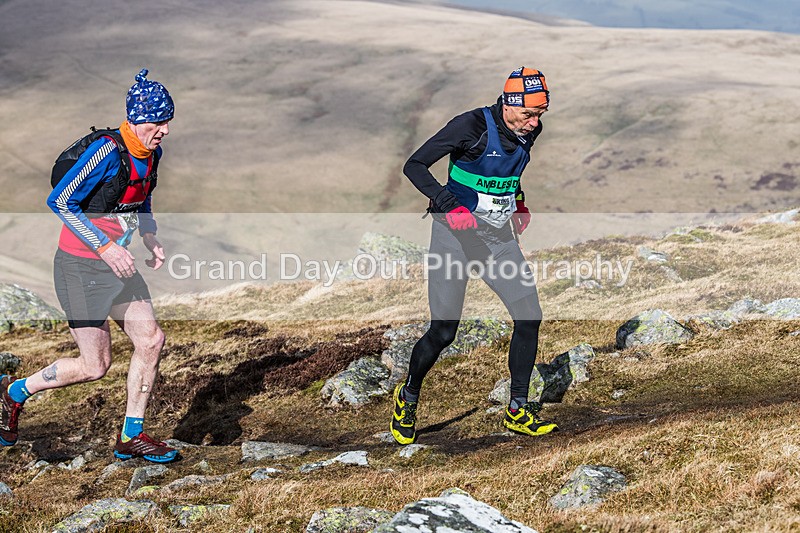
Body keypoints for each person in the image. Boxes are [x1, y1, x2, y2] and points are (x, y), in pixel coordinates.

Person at [0, 69, 178, 463]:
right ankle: (13, 392)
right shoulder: (106, 151)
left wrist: (149, 235)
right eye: (157, 121)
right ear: (134, 119)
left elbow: (140, 198)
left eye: (168, 120)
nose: (164, 129)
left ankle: (132, 435)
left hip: (117, 267)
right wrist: (105, 247)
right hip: (80, 268)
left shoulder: (152, 154)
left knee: (151, 341)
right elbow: (60, 202)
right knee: (94, 366)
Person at [391, 67, 558, 445]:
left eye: (540, 116)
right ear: (509, 102)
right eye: (529, 115)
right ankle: (408, 397)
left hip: (497, 240)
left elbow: (507, 171)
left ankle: (517, 409)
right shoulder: (470, 126)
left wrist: (518, 201)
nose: (534, 124)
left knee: (529, 317)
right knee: (444, 331)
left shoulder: (529, 130)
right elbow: (414, 165)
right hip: (454, 239)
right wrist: (449, 205)